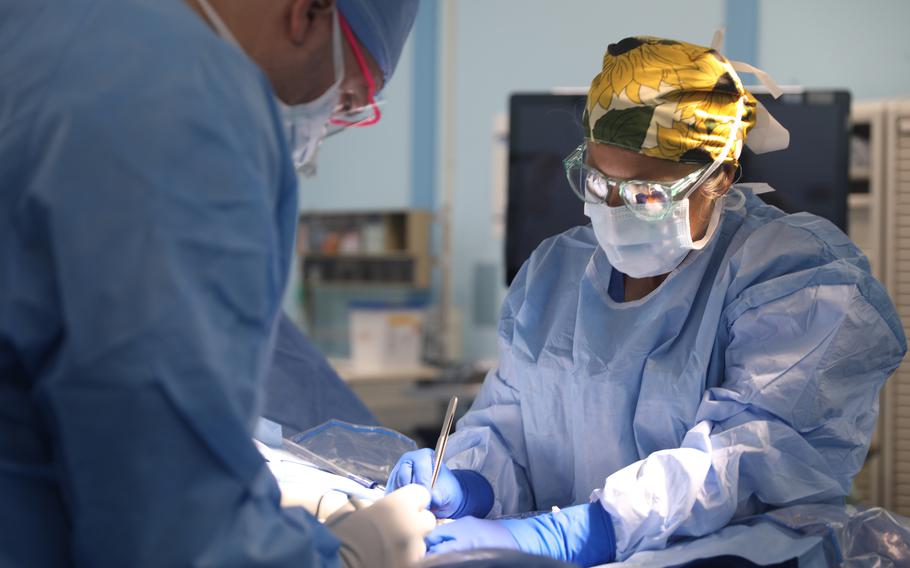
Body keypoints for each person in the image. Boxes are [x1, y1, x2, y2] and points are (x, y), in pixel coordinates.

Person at [387, 36, 908, 565]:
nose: (614, 210)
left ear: (719, 178)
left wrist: (582, 532)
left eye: (646, 195)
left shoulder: (797, 276)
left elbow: (747, 462)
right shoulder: (556, 273)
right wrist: (470, 481)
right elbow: (511, 426)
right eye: (597, 183)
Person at [0, 0, 436, 566]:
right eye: (347, 98)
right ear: (308, 14)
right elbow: (179, 533)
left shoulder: (41, 24)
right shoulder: (182, 103)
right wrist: (350, 554)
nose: (330, 122)